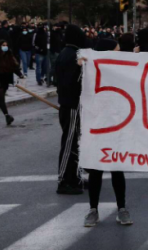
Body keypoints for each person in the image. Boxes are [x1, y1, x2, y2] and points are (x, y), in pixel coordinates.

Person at [83, 38, 133, 227]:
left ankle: (121, 208)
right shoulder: (90, 71)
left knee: (116, 168)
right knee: (96, 169)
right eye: (116, 50)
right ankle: (93, 209)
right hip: (96, 125)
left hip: (116, 125)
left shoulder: (120, 72)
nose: (119, 53)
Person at [54, 25, 87, 195]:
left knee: (74, 142)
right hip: (72, 105)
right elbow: (71, 82)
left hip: (69, 104)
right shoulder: (72, 56)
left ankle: (74, 177)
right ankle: (64, 181)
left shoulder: (65, 53)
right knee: (69, 143)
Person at [0, 40, 24, 125]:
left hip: (5, 79)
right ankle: (7, 116)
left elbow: (14, 67)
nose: (5, 47)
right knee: (1, 98)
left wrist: (20, 75)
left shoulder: (9, 56)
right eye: (3, 45)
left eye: (6, 45)